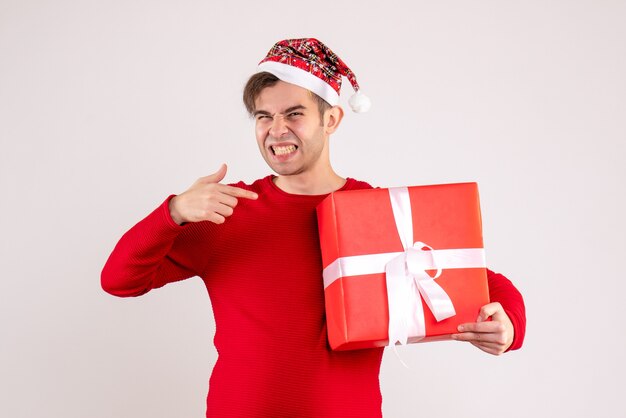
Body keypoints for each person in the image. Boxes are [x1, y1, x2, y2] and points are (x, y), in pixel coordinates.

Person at [101, 38, 526, 418]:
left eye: (294, 113)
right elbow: (119, 280)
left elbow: (484, 282)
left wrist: (507, 325)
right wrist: (172, 212)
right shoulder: (226, 210)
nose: (276, 129)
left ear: (331, 120)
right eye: (263, 116)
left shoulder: (374, 212)